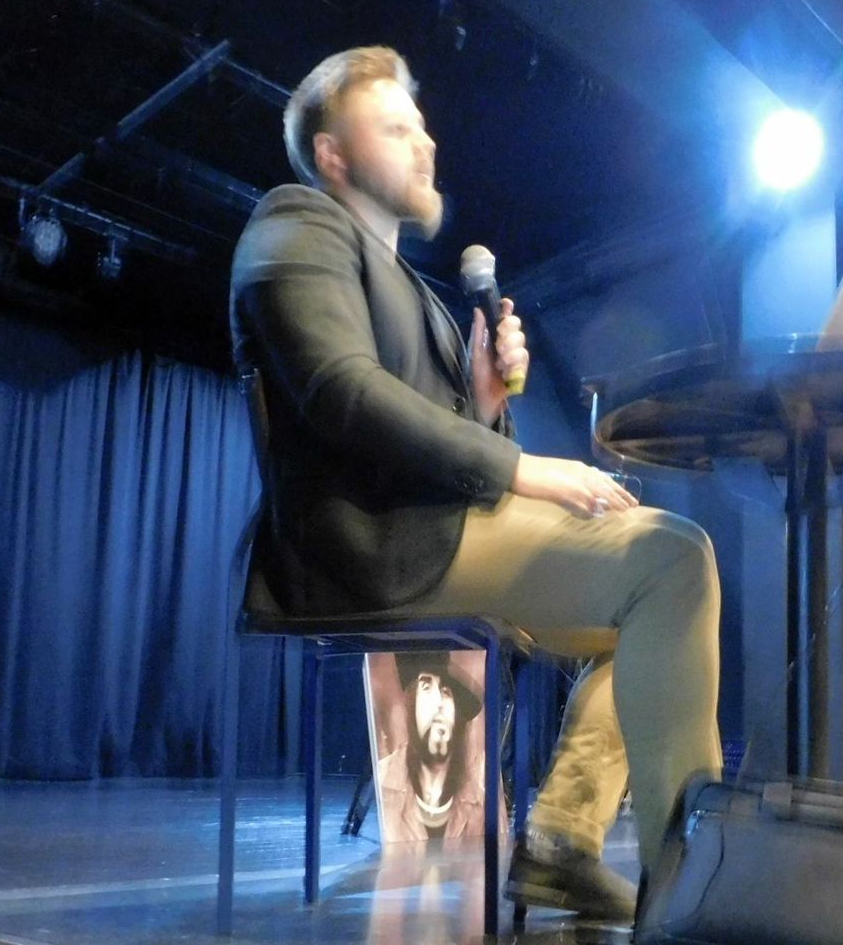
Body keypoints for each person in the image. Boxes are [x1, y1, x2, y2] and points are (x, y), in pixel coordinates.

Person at [229, 45, 723, 923]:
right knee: (670, 562)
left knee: (660, 598)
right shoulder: (295, 224)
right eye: (394, 127)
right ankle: (695, 901)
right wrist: (522, 467)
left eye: (421, 126)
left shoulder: (416, 291)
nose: (424, 143)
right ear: (332, 155)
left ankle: (562, 846)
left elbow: (439, 435)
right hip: (370, 549)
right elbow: (340, 392)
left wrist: (487, 401)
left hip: (432, 534)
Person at [373, 651, 486, 842]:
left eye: (445, 692)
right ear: (412, 704)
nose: (438, 703)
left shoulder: (479, 794)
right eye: (426, 687)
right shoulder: (385, 782)